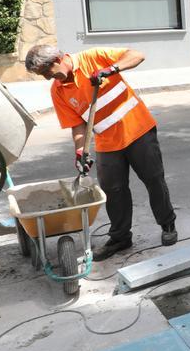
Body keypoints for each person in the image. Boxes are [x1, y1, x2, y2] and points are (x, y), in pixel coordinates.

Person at [24, 45, 177, 261]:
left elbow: (137, 55)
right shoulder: (58, 91)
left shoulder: (93, 58)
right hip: (107, 142)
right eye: (44, 76)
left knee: (154, 180)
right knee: (114, 191)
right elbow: (77, 125)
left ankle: (167, 223)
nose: (49, 78)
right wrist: (79, 150)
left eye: (47, 72)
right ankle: (121, 238)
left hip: (138, 130)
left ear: (58, 59)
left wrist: (110, 70)